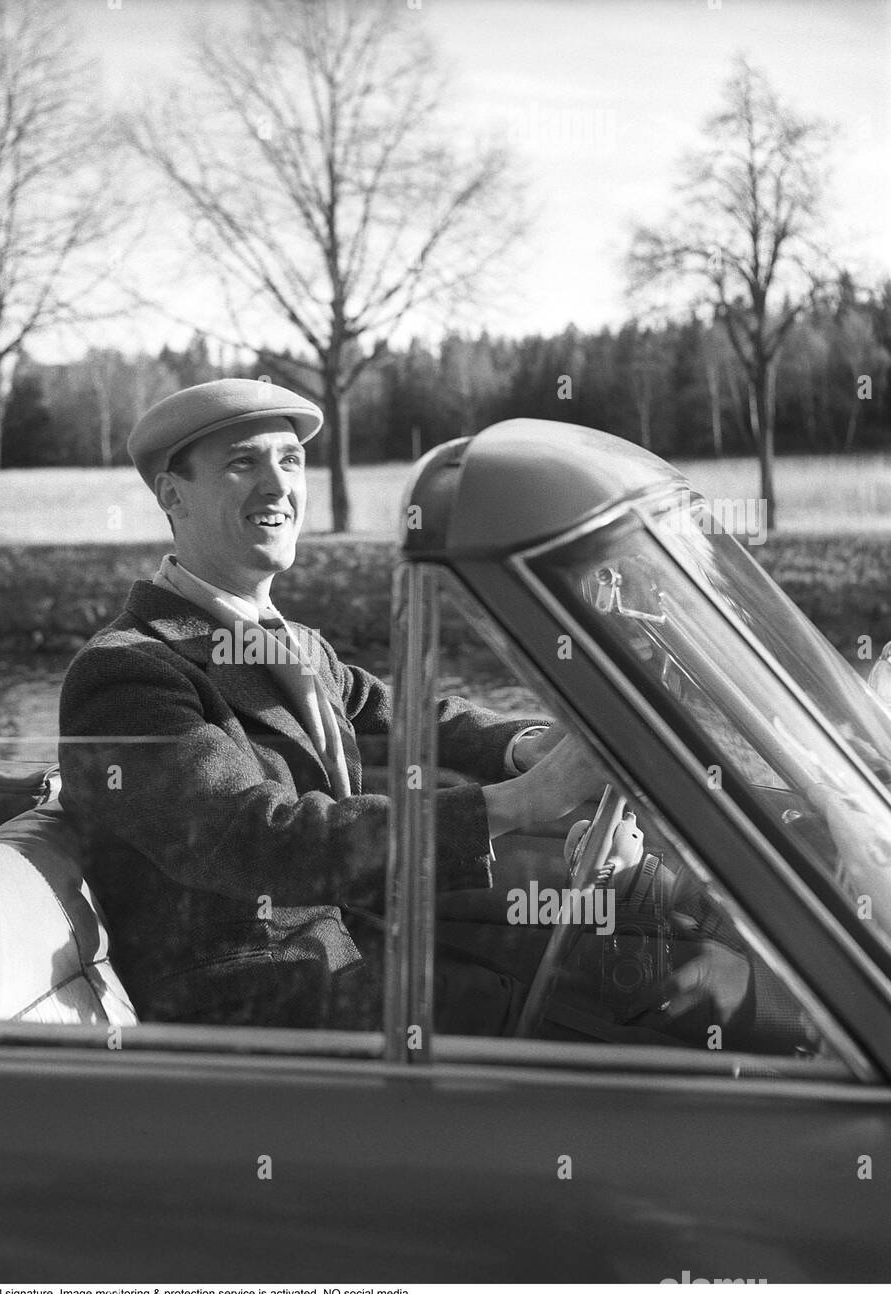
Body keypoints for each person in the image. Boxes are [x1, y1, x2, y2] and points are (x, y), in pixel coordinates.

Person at [57, 379, 741, 1034]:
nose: (278, 485)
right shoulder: (128, 673)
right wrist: (515, 806)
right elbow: (257, 838)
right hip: (253, 1014)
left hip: (345, 960)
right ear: (171, 495)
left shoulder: (291, 647)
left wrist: (525, 747)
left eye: (290, 461)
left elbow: (406, 719)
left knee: (628, 980)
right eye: (243, 463)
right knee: (597, 1013)